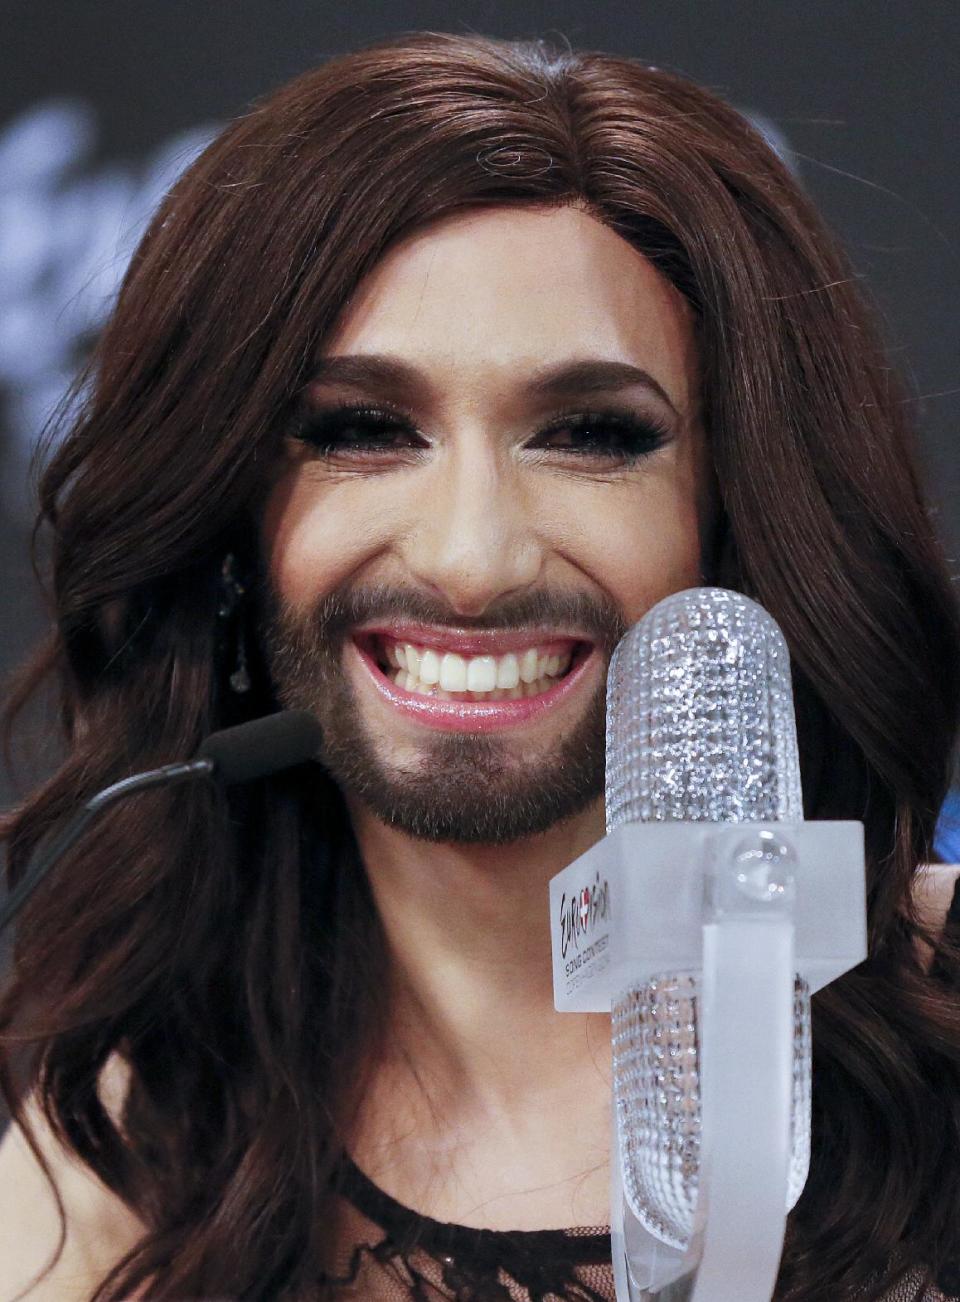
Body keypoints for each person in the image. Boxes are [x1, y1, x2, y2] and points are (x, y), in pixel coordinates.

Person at [1, 29, 959, 1302]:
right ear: (227, 526)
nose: (471, 559)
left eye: (590, 435)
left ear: (733, 516)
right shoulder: (118, 1148)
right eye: (362, 430)